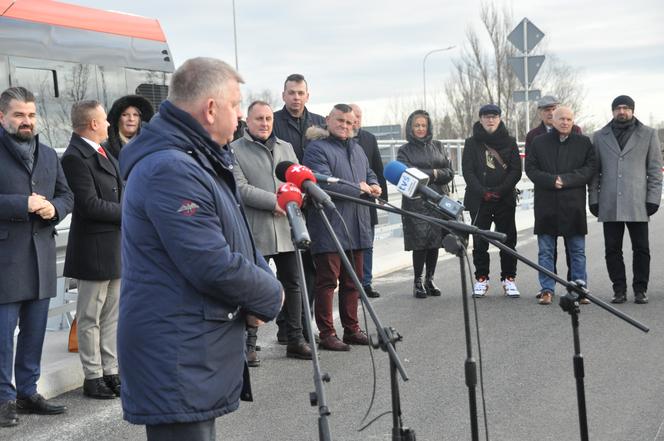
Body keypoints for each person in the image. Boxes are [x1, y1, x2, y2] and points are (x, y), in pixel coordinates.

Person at [118, 58, 283, 441]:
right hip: (176, 352)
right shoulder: (170, 169)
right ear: (211, 109)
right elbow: (210, 262)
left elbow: (236, 233)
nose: (241, 116)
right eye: (236, 105)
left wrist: (257, 289)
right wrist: (270, 295)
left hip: (191, 344)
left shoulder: (198, 159)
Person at [0, 86, 73, 427]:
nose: (26, 121)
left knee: (34, 332)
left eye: (30, 115)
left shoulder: (46, 154)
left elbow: (66, 194)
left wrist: (54, 208)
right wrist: (22, 204)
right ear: (2, 117)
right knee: (2, 335)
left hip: (40, 254)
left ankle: (28, 393)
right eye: (19, 115)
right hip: (6, 258)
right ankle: (4, 399)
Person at [231, 101, 312, 365]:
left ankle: (296, 339)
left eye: (268, 118)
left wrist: (293, 199)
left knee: (294, 283)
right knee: (253, 286)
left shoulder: (285, 148)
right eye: (259, 119)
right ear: (248, 122)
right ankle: (249, 343)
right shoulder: (234, 150)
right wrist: (274, 201)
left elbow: (297, 179)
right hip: (257, 230)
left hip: (287, 226)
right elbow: (240, 188)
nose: (265, 123)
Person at [303, 104, 381, 351]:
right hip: (330, 226)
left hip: (357, 225)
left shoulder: (357, 149)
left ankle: (352, 329)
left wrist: (374, 185)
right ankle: (327, 333)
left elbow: (369, 174)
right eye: (340, 121)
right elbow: (324, 184)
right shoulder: (316, 149)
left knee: (353, 282)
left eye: (349, 122)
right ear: (328, 120)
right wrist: (360, 188)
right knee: (327, 282)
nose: (345, 126)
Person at [61, 100, 122, 399]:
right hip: (93, 249)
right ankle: (93, 376)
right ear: (93, 124)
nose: (109, 124)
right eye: (105, 120)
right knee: (89, 317)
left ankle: (110, 370)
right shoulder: (75, 157)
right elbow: (87, 205)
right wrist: (131, 212)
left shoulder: (101, 151)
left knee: (111, 315)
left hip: (112, 247)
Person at [589, 95, 663, 304]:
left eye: (626, 108)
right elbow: (594, 172)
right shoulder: (599, 136)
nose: (622, 111)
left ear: (632, 110)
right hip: (609, 202)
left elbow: (655, 170)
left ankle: (640, 290)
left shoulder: (648, 134)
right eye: (618, 108)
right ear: (612, 111)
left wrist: (653, 199)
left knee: (641, 248)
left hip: (638, 202)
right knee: (612, 249)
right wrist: (593, 198)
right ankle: (618, 290)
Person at [272, 74, 325, 344]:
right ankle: (287, 325)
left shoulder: (319, 123)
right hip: (284, 203)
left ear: (308, 95)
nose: (296, 97)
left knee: (311, 268)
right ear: (283, 95)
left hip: (312, 203)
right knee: (289, 271)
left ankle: (306, 322)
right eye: (291, 92)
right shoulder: (273, 122)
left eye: (300, 92)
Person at [525, 106, 596, 305]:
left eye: (568, 119)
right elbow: (530, 168)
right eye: (561, 119)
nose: (565, 122)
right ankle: (547, 289)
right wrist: (550, 180)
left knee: (577, 251)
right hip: (546, 203)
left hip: (573, 204)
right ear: (553, 120)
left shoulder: (583, 142)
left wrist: (565, 179)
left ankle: (579, 288)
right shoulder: (539, 142)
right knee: (546, 250)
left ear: (573, 121)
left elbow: (590, 168)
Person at [462, 104, 522, 298]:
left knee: (508, 240)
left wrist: (500, 190)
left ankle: (509, 279)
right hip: (479, 199)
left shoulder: (510, 141)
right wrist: (482, 192)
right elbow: (468, 171)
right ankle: (481, 279)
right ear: (480, 119)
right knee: (480, 240)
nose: (490, 120)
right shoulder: (471, 143)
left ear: (500, 118)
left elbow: (515, 170)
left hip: (504, 198)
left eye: (494, 116)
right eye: (486, 117)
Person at [396, 110, 455, 299]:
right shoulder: (404, 150)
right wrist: (436, 173)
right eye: (417, 125)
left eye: (423, 125)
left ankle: (430, 279)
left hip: (438, 199)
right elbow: (406, 174)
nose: (420, 129)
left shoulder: (438, 146)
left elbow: (450, 172)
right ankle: (417, 281)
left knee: (435, 241)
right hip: (416, 201)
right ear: (410, 128)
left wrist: (429, 173)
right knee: (419, 243)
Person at [350, 103, 388, 298]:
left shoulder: (369, 139)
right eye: (353, 115)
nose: (356, 119)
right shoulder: (340, 140)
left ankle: (366, 282)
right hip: (348, 200)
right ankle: (352, 284)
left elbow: (377, 168)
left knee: (368, 244)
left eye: (359, 115)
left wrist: (383, 197)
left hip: (368, 200)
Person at [103, 95, 154, 160]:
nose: (131, 119)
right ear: (117, 119)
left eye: (135, 115)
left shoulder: (152, 147)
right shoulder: (106, 150)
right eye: (125, 115)